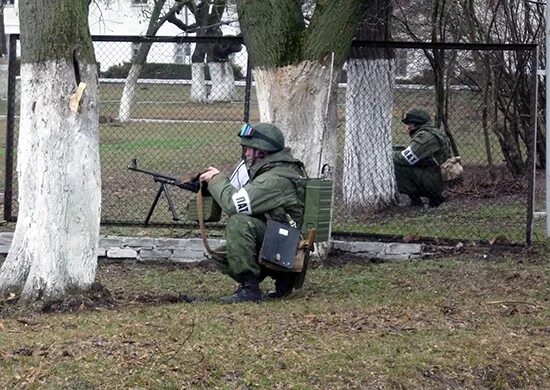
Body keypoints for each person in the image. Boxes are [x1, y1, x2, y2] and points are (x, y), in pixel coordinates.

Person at [199, 122, 306, 303]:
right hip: (282, 239)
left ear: (263, 151)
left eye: (250, 148)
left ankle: (250, 289)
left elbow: (233, 205)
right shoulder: (277, 171)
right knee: (222, 256)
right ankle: (282, 278)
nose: (247, 153)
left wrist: (216, 179)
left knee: (239, 222)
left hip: (286, 245)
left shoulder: (274, 179)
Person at [393, 108, 452, 208]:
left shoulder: (426, 136)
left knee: (397, 166)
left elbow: (406, 159)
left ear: (417, 123)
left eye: (409, 124)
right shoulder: (432, 133)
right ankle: (433, 199)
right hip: (435, 177)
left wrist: (386, 156)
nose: (408, 128)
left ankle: (418, 201)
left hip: (433, 181)